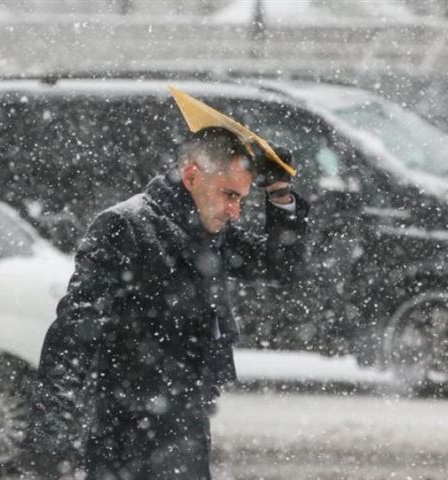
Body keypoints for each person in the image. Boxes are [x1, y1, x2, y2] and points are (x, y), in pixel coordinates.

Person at [23, 97, 310, 478]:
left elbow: (280, 265)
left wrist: (280, 195)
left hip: (185, 426)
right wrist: (50, 440)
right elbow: (72, 336)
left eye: (241, 199)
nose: (235, 211)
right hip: (124, 435)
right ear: (192, 176)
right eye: (229, 196)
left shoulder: (211, 233)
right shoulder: (124, 226)